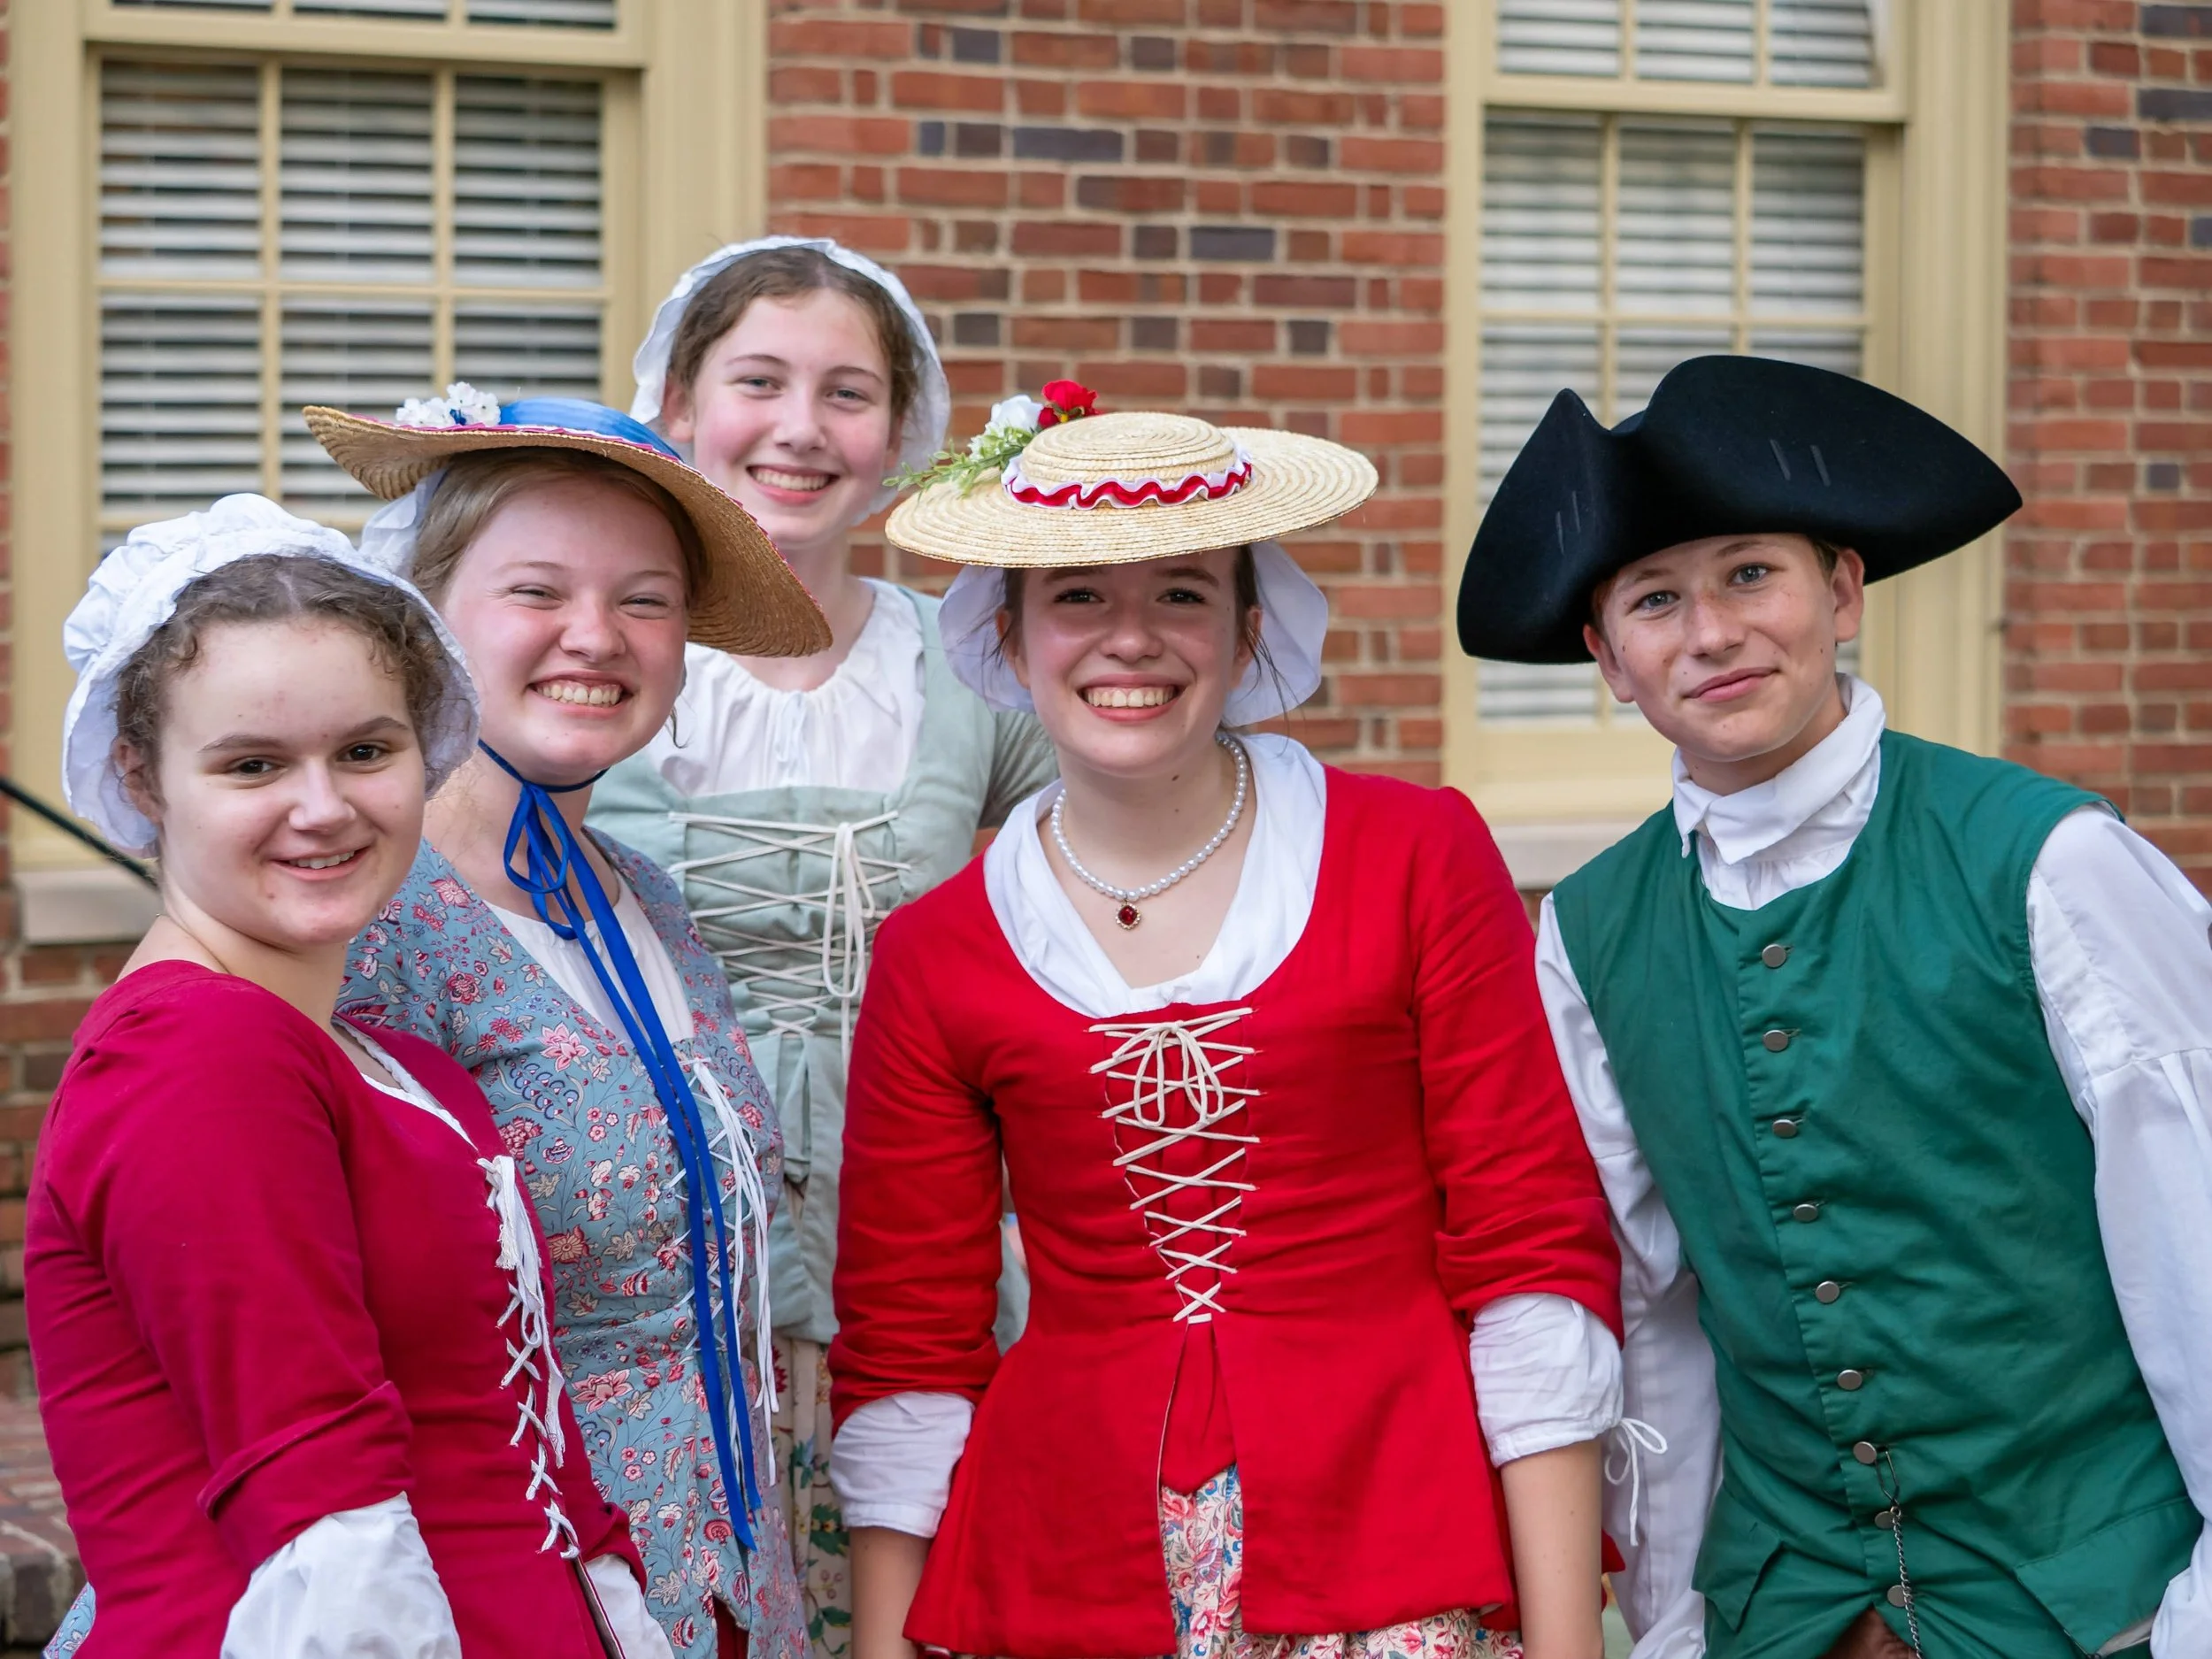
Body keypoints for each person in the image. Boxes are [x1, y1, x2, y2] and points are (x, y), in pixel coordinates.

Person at [828, 406, 1626, 1659]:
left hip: (1398, 1537)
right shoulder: (938, 952)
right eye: (1080, 594)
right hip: (1063, 1559)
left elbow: (1527, 1248)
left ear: (1251, 628)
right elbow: (910, 1336)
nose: (1131, 639)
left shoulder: (1416, 855)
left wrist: (1568, 1637)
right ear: (1009, 634)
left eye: (1184, 592)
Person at [1456, 354, 2212, 1659]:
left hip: (2104, 1600)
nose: (1710, 633)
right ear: (1606, 656)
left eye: (1752, 572)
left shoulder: (2051, 860)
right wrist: (1676, 1617)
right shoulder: (1587, 932)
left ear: (1844, 588)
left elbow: (2194, 1238)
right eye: (1654, 600)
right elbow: (1655, 1314)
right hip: (1790, 1608)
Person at [28, 494, 672, 1657]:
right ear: (141, 777)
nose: (323, 808)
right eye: (253, 763)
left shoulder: (389, 1061)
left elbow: (508, 1444)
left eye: (366, 751)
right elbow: (316, 1494)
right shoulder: (193, 1056)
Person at [590, 237, 1056, 1647]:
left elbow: (1123, 862)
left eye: (847, 392)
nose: (800, 428)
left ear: (898, 435)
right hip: (651, 1250)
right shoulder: (597, 666)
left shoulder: (972, 668)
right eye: (759, 381)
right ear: (677, 407)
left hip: (925, 1228)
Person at [314, 389, 830, 1659]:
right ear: (429, 615)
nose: (594, 636)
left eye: (645, 599)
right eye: (537, 590)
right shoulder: (364, 926)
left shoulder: (644, 896)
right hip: (502, 1585)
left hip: (715, 1573)